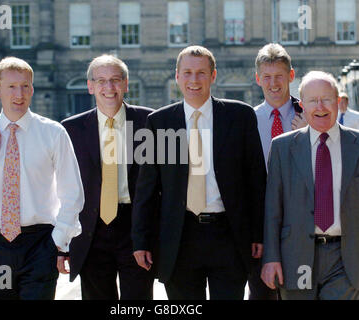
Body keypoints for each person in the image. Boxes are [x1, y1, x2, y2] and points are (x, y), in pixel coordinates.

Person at [132, 45, 266, 299]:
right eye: (188, 73)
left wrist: (258, 234)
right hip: (179, 238)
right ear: (177, 76)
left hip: (228, 235)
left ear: (213, 76)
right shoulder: (158, 123)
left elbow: (256, 180)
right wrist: (140, 240)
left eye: (201, 73)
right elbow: (146, 188)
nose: (194, 80)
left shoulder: (240, 116)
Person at [0, 57, 84, 299]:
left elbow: (73, 194)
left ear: (32, 89)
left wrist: (57, 242)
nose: (19, 93)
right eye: (11, 86)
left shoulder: (54, 133)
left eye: (25, 86)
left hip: (39, 246)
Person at [61, 55, 156, 300]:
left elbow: (163, 184)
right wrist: (62, 242)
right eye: (101, 81)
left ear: (126, 84)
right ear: (90, 86)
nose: (109, 87)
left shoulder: (150, 122)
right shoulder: (70, 129)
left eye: (115, 80)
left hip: (135, 228)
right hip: (90, 231)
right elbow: (61, 189)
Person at [261, 71, 359, 300]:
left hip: (345, 258)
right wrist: (271, 258)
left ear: (337, 102)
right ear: (302, 105)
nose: (320, 106)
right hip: (295, 255)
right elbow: (273, 208)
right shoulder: (282, 148)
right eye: (313, 100)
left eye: (326, 99)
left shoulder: (356, 144)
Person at [250, 43, 307, 300]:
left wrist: (311, 133)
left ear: (291, 76)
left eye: (279, 77)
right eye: (267, 77)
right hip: (260, 226)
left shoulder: (309, 115)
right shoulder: (246, 120)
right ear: (258, 79)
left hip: (302, 223)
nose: (273, 84)